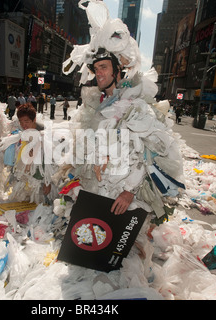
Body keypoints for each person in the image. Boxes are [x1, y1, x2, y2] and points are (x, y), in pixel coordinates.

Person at [61, 1, 184, 222]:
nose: (99, 73)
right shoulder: (95, 107)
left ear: (118, 70)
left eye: (104, 67)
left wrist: (129, 191)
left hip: (123, 196)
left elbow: (149, 154)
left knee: (121, 249)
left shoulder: (136, 107)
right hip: (99, 189)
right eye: (96, 68)